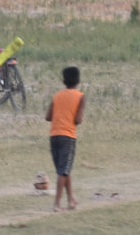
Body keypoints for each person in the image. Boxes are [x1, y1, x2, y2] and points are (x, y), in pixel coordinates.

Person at [45, 67, 86, 212]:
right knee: (63, 171)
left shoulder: (57, 96)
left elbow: (48, 117)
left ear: (63, 81)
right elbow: (78, 120)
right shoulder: (80, 96)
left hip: (54, 135)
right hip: (68, 137)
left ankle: (71, 199)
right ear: (78, 81)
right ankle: (57, 204)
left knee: (64, 169)